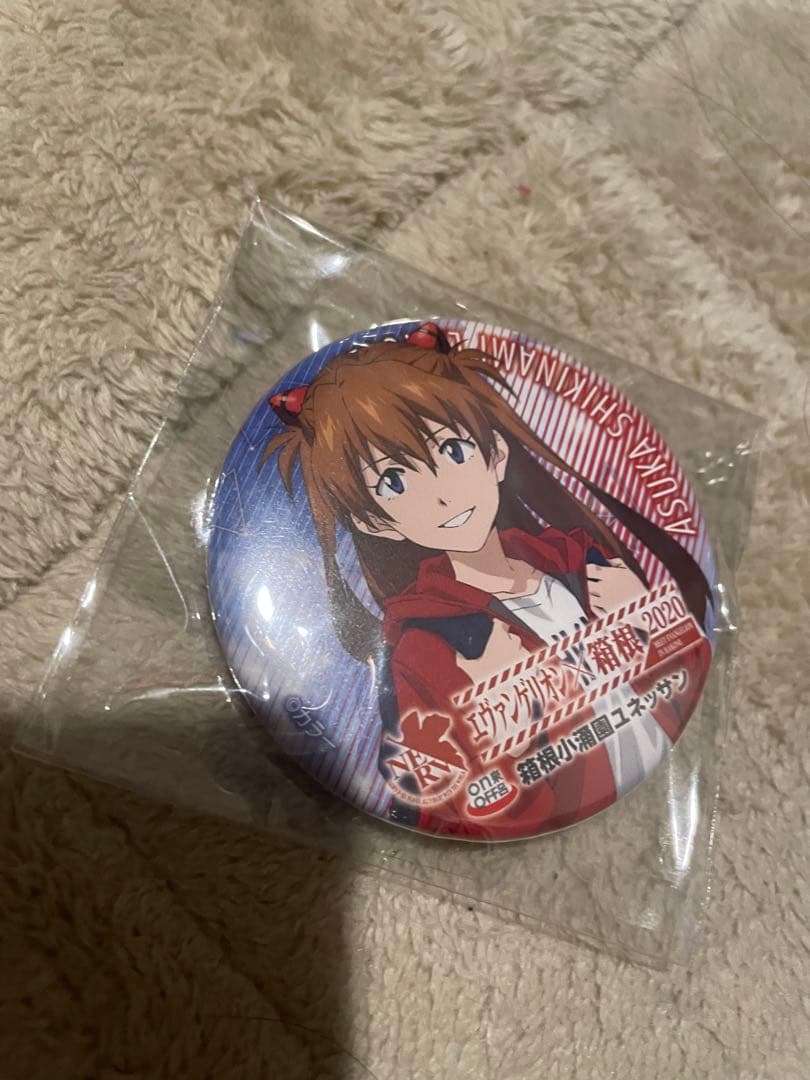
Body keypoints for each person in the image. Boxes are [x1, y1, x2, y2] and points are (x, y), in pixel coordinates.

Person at [264, 323, 711, 837]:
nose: (443, 493)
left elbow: (684, 681)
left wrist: (650, 631)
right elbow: (451, 804)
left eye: (453, 451)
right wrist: (501, 711)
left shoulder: (581, 564)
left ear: (495, 454)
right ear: (374, 521)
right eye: (394, 480)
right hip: (600, 826)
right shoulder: (425, 649)